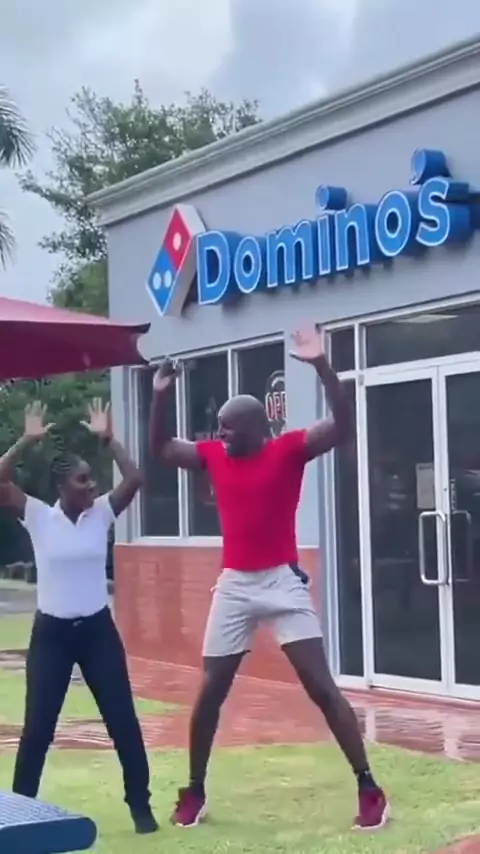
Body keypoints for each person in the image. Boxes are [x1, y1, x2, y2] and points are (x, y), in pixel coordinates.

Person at [149, 327, 389, 831]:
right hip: (235, 585)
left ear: (257, 428)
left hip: (281, 582)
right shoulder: (214, 457)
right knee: (210, 690)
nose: (221, 435)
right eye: (218, 428)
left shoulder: (288, 451)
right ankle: (194, 790)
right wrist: (160, 396)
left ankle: (369, 787)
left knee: (320, 686)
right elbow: (162, 448)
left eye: (228, 428)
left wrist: (322, 364)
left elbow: (343, 424)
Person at [0, 399, 158, 834]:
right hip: (51, 635)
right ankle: (19, 814)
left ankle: (141, 808)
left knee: (122, 721)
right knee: (37, 730)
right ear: (61, 485)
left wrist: (110, 440)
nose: (92, 485)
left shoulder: (101, 512)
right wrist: (26, 441)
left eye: (92, 479)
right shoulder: (37, 516)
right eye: (82, 479)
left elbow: (136, 478)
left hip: (97, 632)